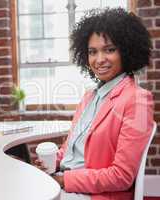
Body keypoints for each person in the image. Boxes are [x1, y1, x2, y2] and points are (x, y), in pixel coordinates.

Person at [35, 8, 154, 200]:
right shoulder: (90, 97)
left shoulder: (138, 100)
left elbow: (122, 176)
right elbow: (71, 149)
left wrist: (62, 180)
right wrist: (52, 162)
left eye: (109, 50)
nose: (99, 60)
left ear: (127, 51)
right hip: (65, 184)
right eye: (92, 52)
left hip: (93, 194)